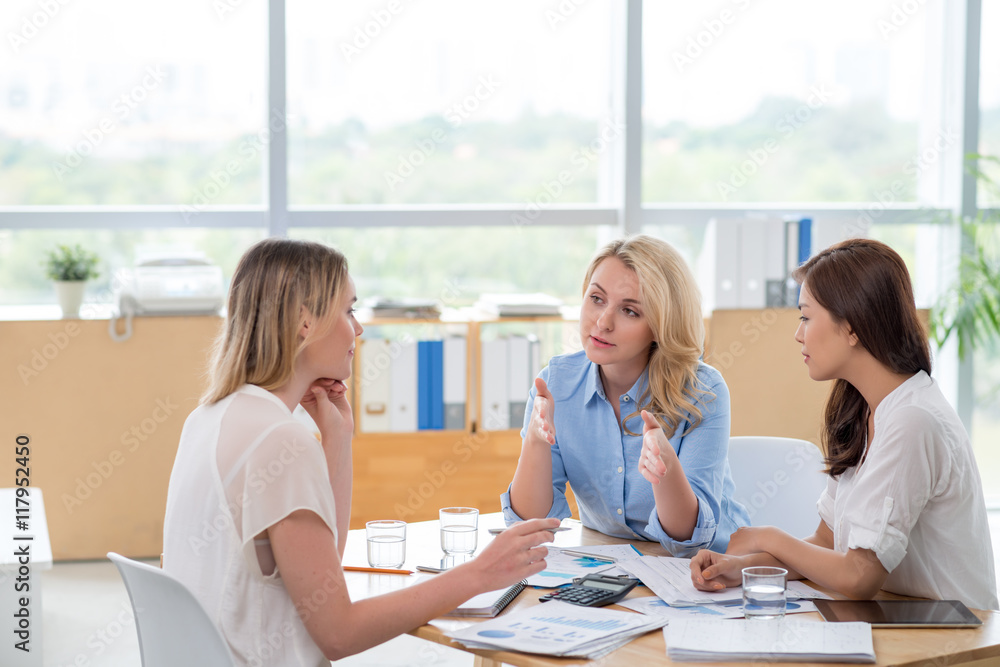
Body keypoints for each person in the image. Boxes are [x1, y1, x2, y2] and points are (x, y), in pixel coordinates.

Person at [162, 238, 558, 666]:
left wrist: (338, 440)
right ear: (304, 321)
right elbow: (338, 632)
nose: (359, 329)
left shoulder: (209, 417)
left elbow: (322, 575)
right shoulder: (280, 440)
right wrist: (480, 573)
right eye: (349, 311)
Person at [690, 238, 998, 611]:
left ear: (852, 327)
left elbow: (859, 577)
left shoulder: (913, 421)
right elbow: (825, 544)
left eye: (806, 317)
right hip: (897, 617)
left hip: (949, 630)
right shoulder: (862, 410)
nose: (798, 334)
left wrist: (768, 537)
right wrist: (742, 568)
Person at [501, 235, 750, 556]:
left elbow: (688, 539)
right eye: (596, 298)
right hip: (610, 562)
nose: (602, 322)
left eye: (630, 311)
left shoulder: (702, 390)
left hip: (711, 564)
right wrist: (536, 442)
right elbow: (530, 525)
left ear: (661, 325)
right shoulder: (555, 384)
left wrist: (665, 472)